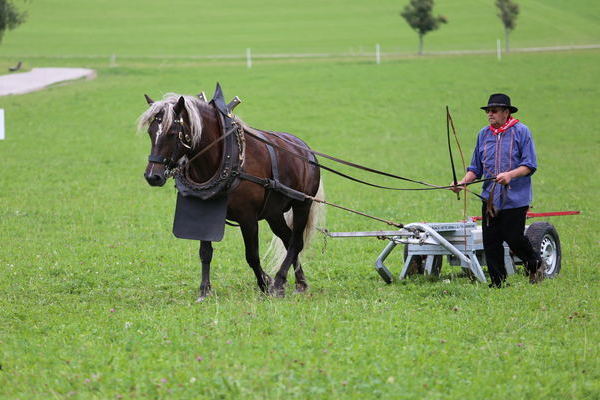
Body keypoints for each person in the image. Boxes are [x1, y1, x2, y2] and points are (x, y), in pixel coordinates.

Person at [451, 93, 545, 287]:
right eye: (488, 111)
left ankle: (534, 262)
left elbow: (530, 165)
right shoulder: (483, 134)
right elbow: (475, 168)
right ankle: (498, 283)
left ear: (506, 112)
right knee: (491, 241)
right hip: (490, 197)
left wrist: (510, 175)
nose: (489, 114)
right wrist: (463, 183)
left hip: (515, 197)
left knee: (514, 238)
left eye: (494, 111)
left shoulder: (522, 132)